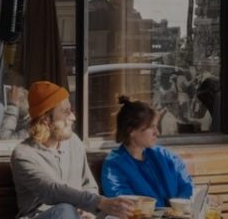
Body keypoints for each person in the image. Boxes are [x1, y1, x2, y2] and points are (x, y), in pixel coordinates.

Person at [11, 80, 140, 219]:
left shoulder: (74, 142)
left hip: (77, 215)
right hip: (44, 216)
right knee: (65, 211)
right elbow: (52, 190)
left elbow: (88, 185)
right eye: (65, 112)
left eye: (71, 110)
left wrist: (89, 210)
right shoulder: (23, 154)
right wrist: (99, 202)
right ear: (45, 120)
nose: (73, 117)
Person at [99, 97, 194, 207]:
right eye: (151, 127)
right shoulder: (114, 166)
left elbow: (187, 187)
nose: (157, 132)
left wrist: (178, 209)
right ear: (131, 131)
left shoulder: (164, 156)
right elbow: (126, 206)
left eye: (156, 126)